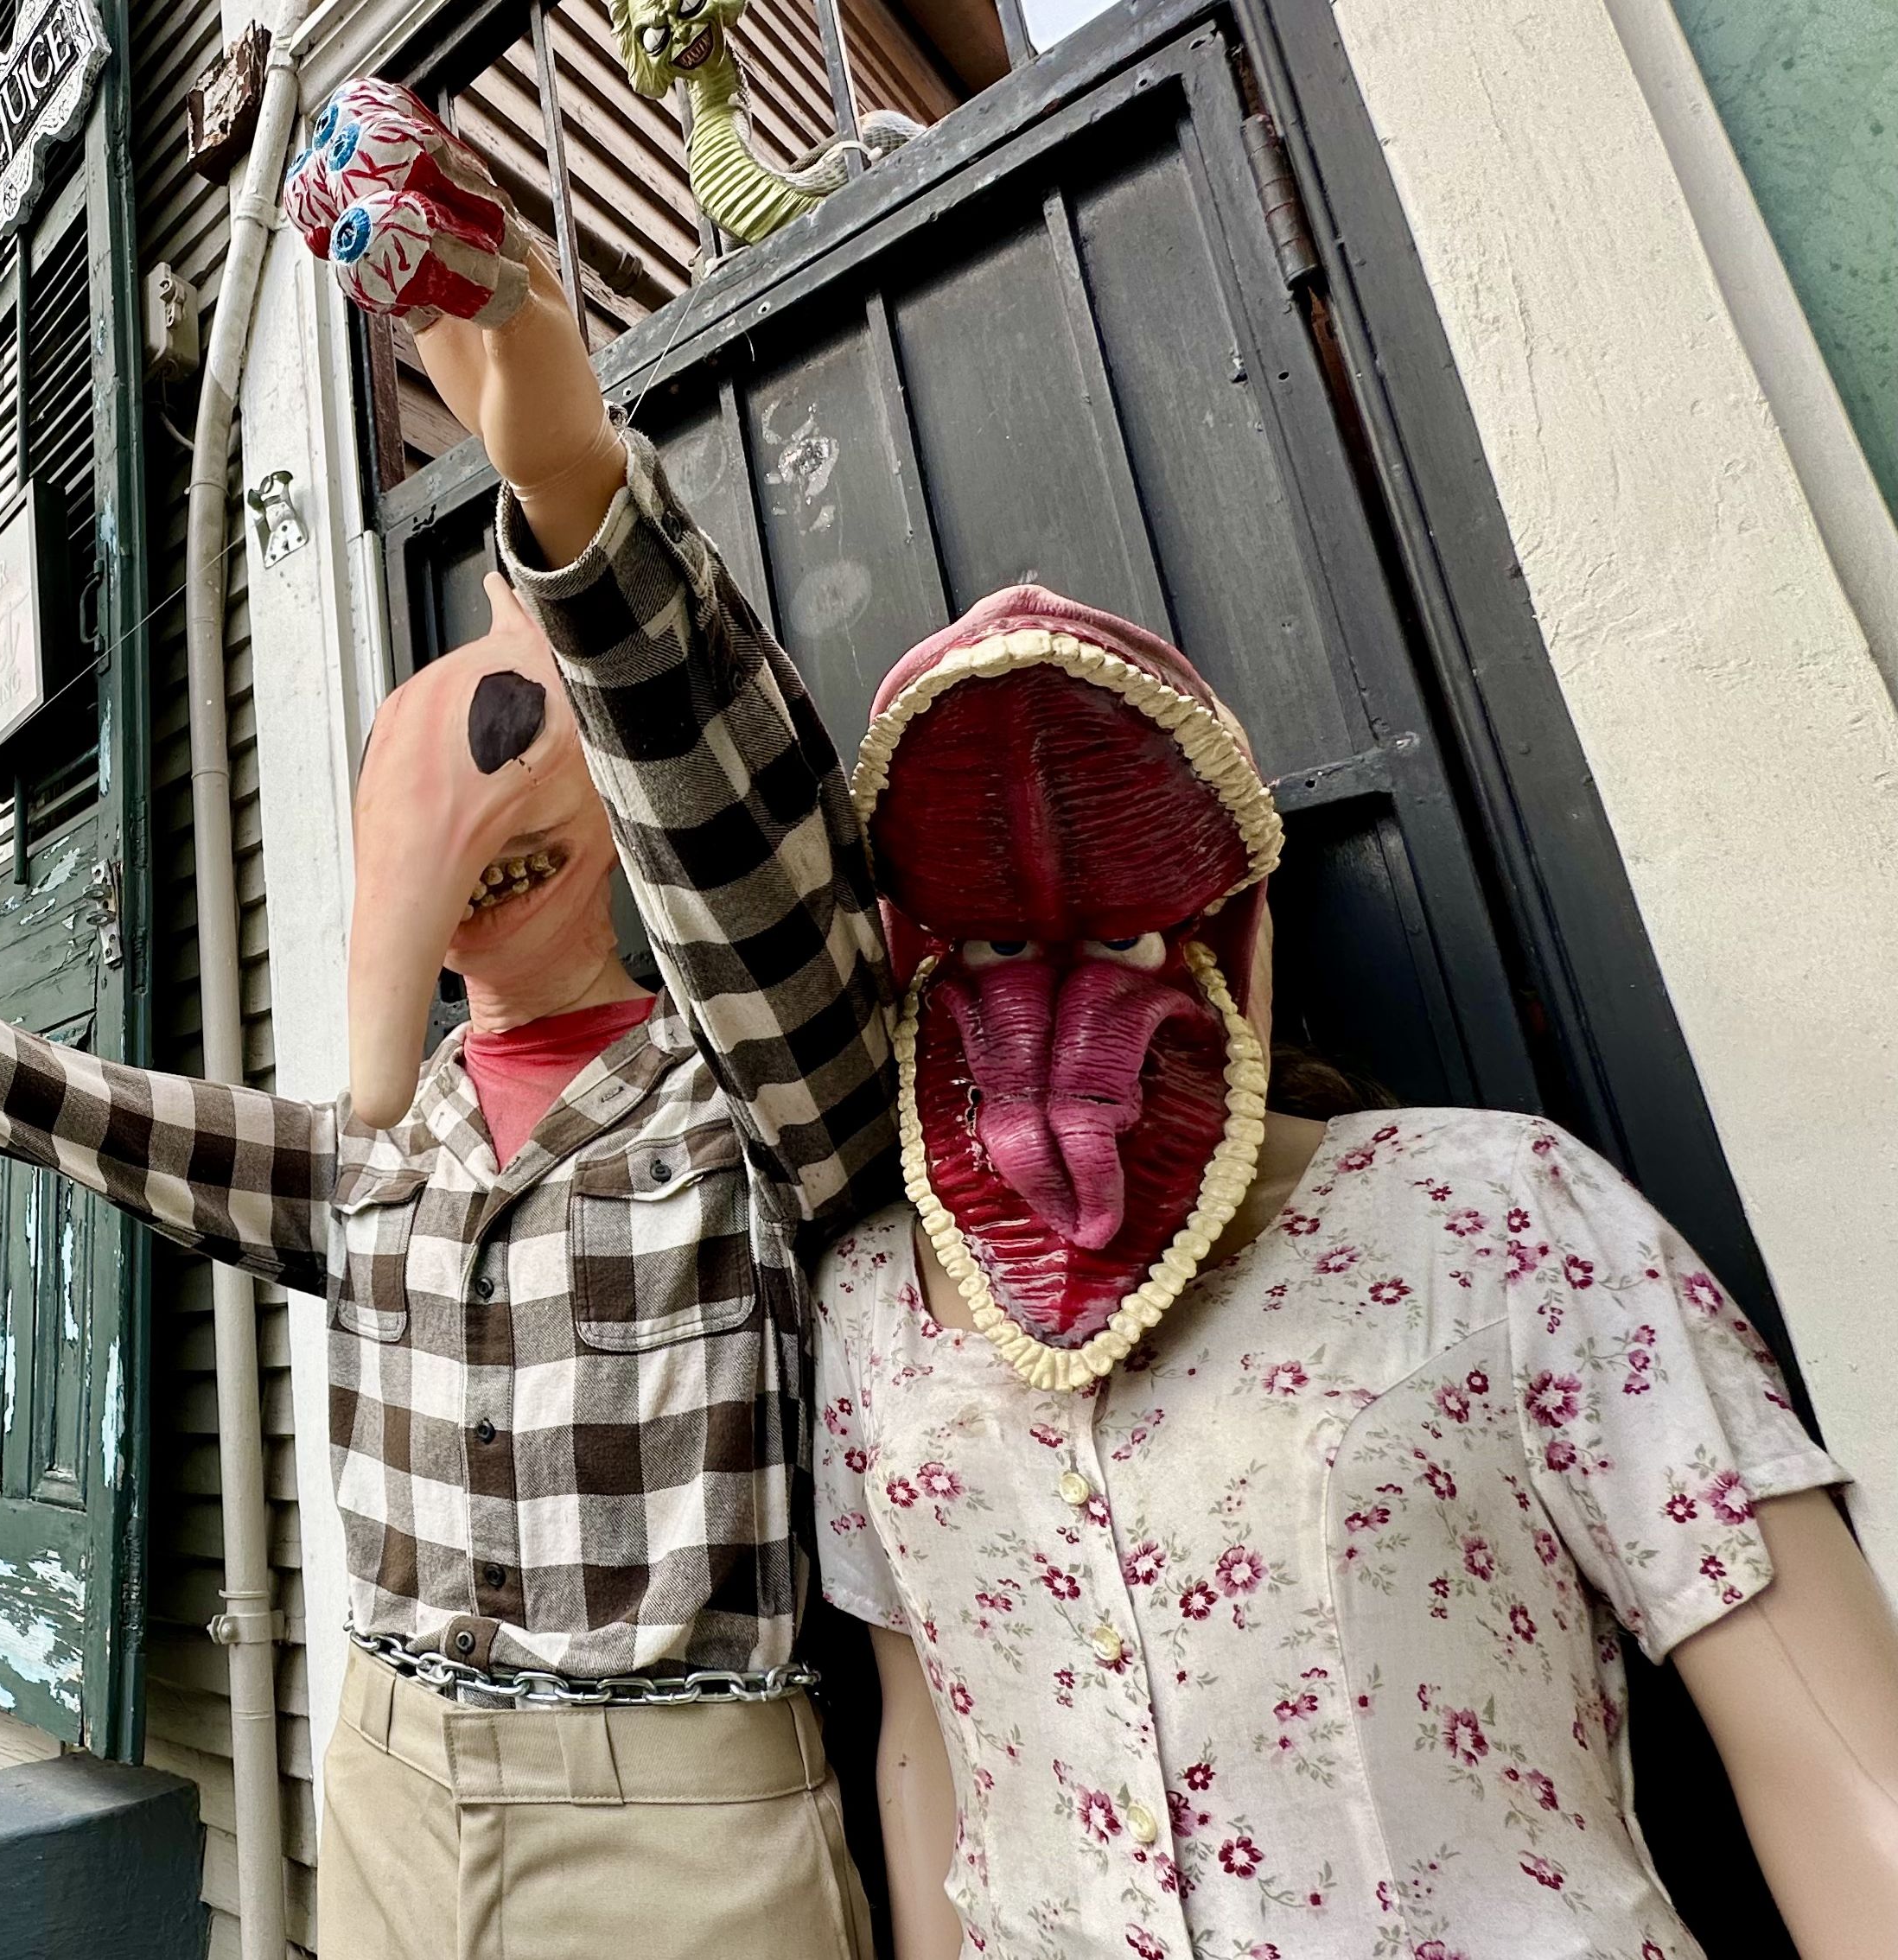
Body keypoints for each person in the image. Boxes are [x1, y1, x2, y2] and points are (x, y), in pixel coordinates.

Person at [0, 80, 901, 1960]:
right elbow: (63, 1105)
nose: (466, 801)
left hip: (688, 1827)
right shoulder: (369, 1167)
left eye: (513, 747)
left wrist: (561, 465)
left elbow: (742, 830)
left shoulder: (750, 1092)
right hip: (386, 1789)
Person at [813, 586, 1898, 1957]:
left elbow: (1850, 1767)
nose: (1057, 1007)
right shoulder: (868, 1306)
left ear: (1232, 933)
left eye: (1124, 938)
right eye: (994, 947)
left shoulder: (1495, 1208)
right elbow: (930, 1751)